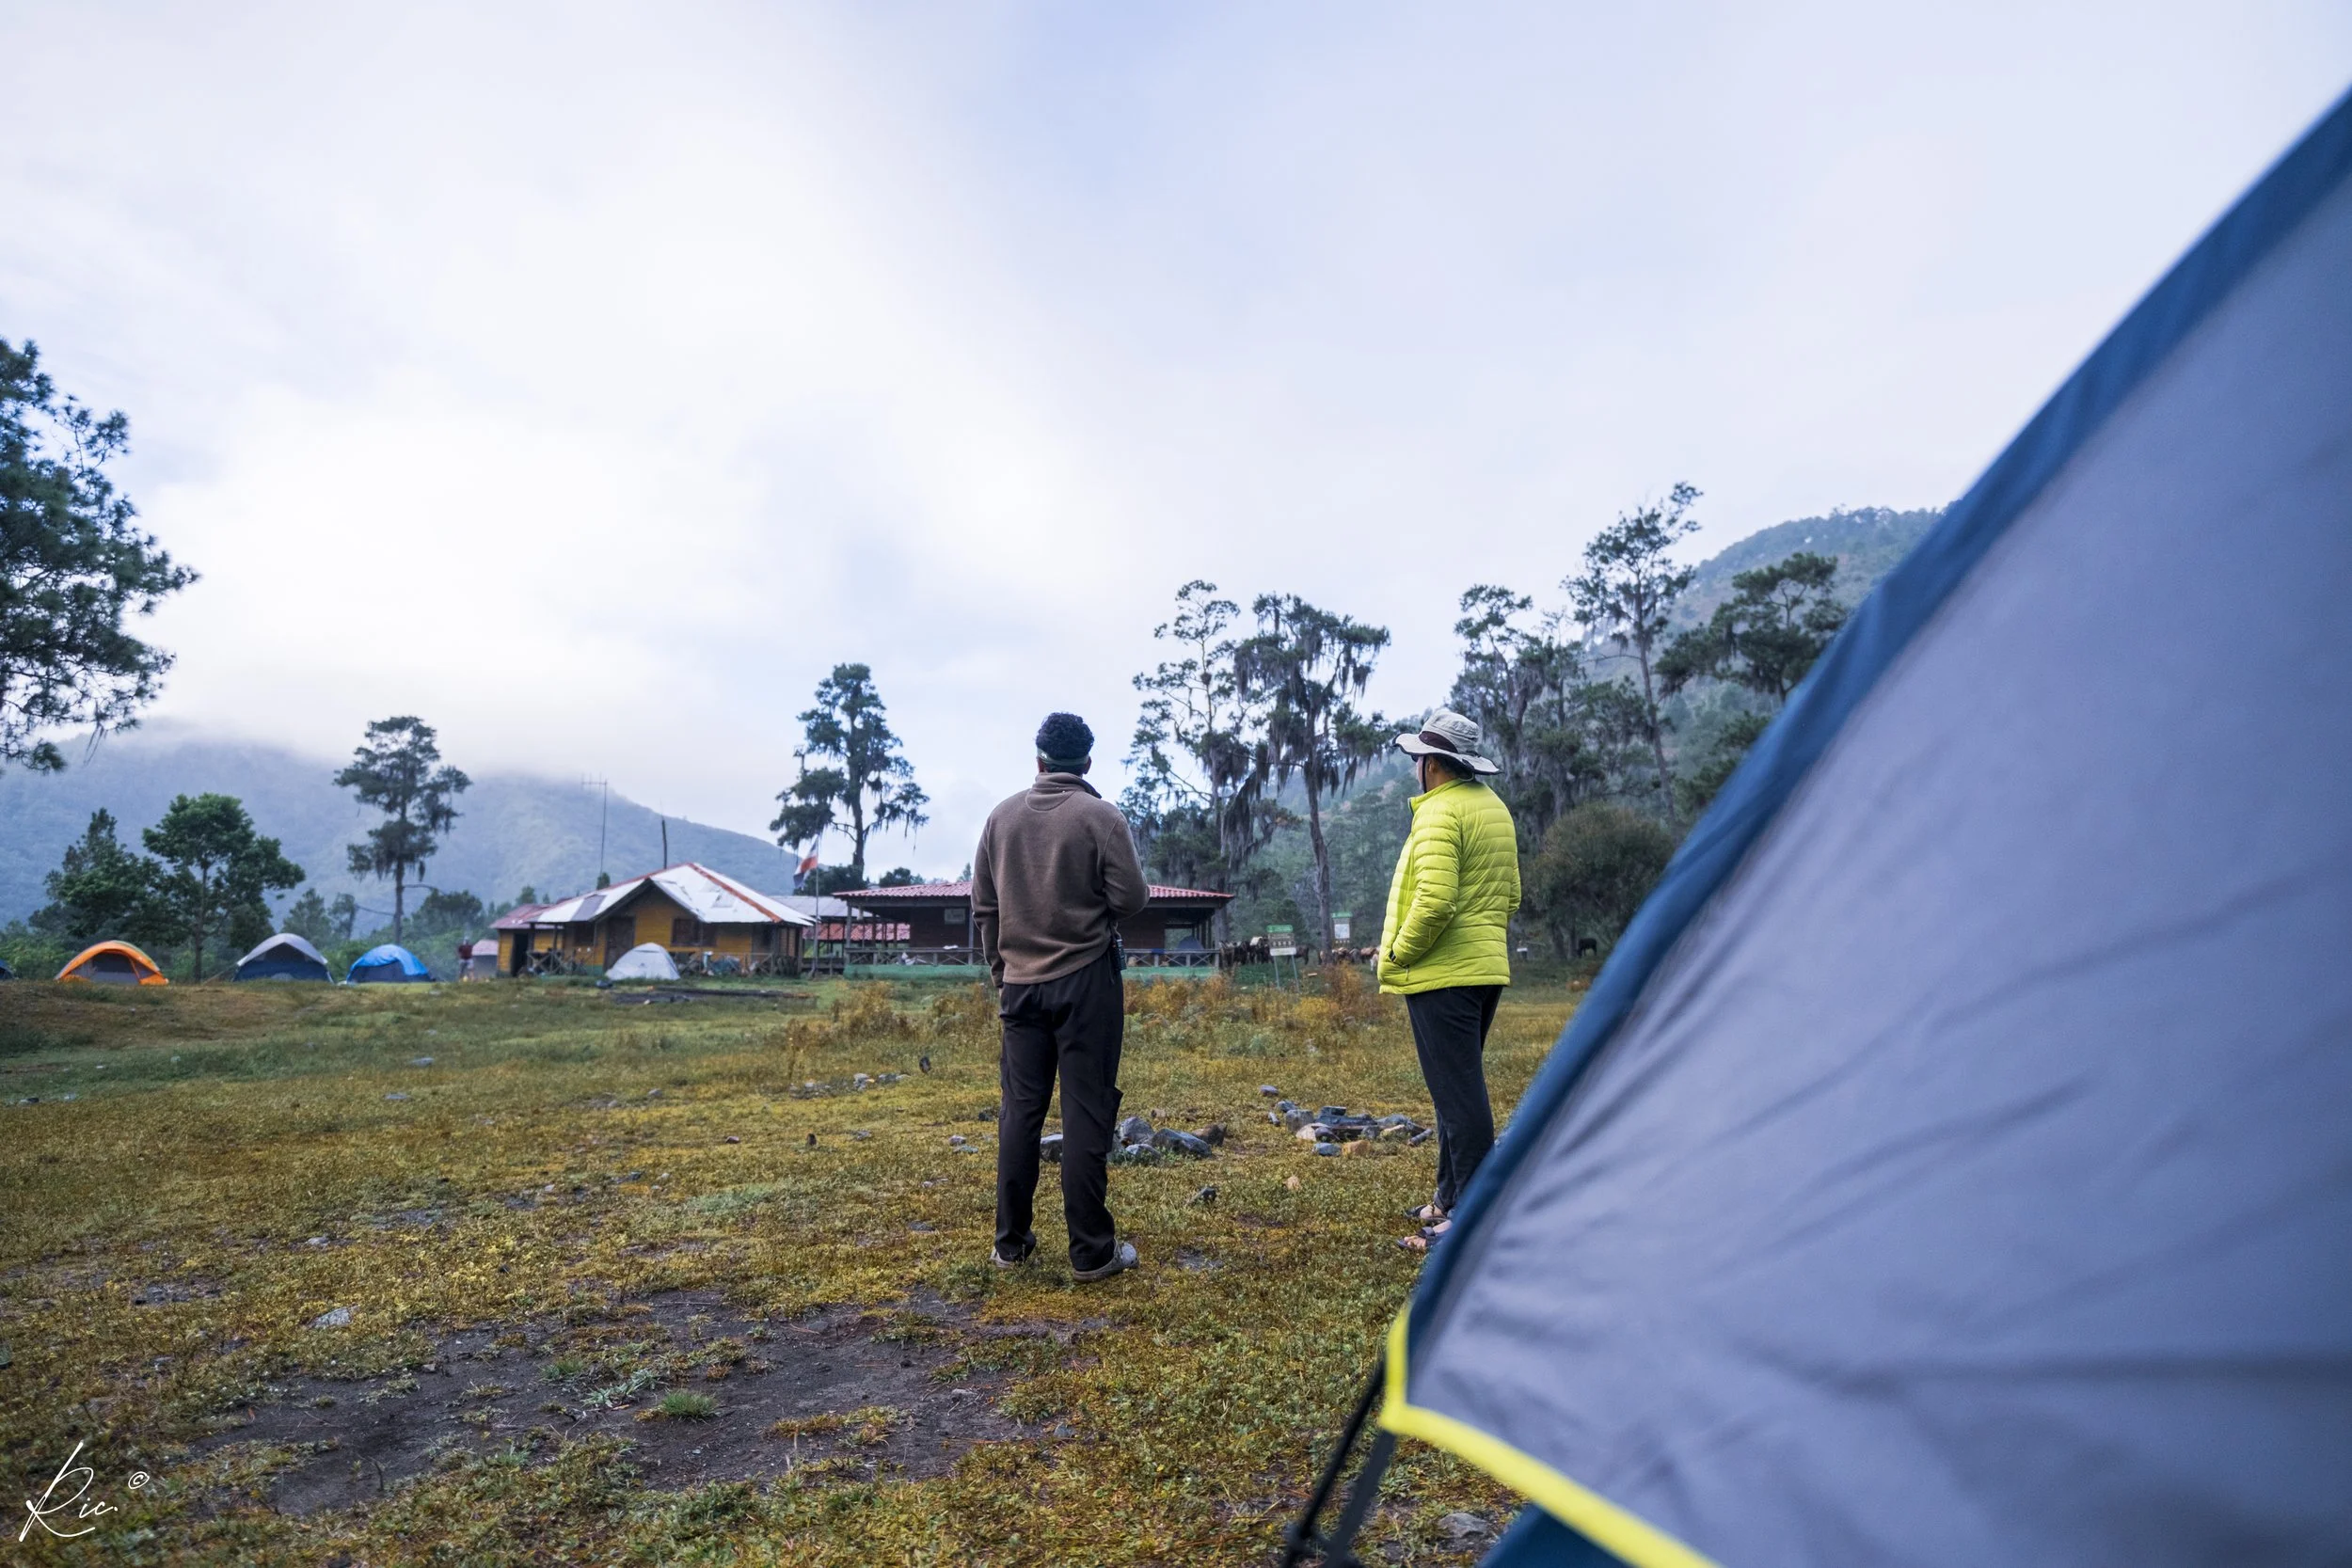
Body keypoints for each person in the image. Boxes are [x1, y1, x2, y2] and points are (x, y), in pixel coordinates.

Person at [973, 711, 1152, 1281]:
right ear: (1088, 764)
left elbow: (984, 906)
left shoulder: (1000, 819)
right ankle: (1091, 1252)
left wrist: (1003, 970)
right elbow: (1132, 898)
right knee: (1084, 1110)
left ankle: (1010, 1244)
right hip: (1085, 982)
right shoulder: (1100, 817)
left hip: (1020, 986)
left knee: (1020, 1112)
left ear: (1039, 761)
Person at [1378, 707, 1520, 1252]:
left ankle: (1472, 1220)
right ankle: (1447, 1198)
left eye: (1418, 758)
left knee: (1459, 1098)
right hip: (1484, 971)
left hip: (1441, 974)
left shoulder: (1440, 814)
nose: (1416, 767)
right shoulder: (1496, 811)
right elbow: (1511, 897)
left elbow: (1434, 901)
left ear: (1434, 764)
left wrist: (1397, 953)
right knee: (1453, 1091)